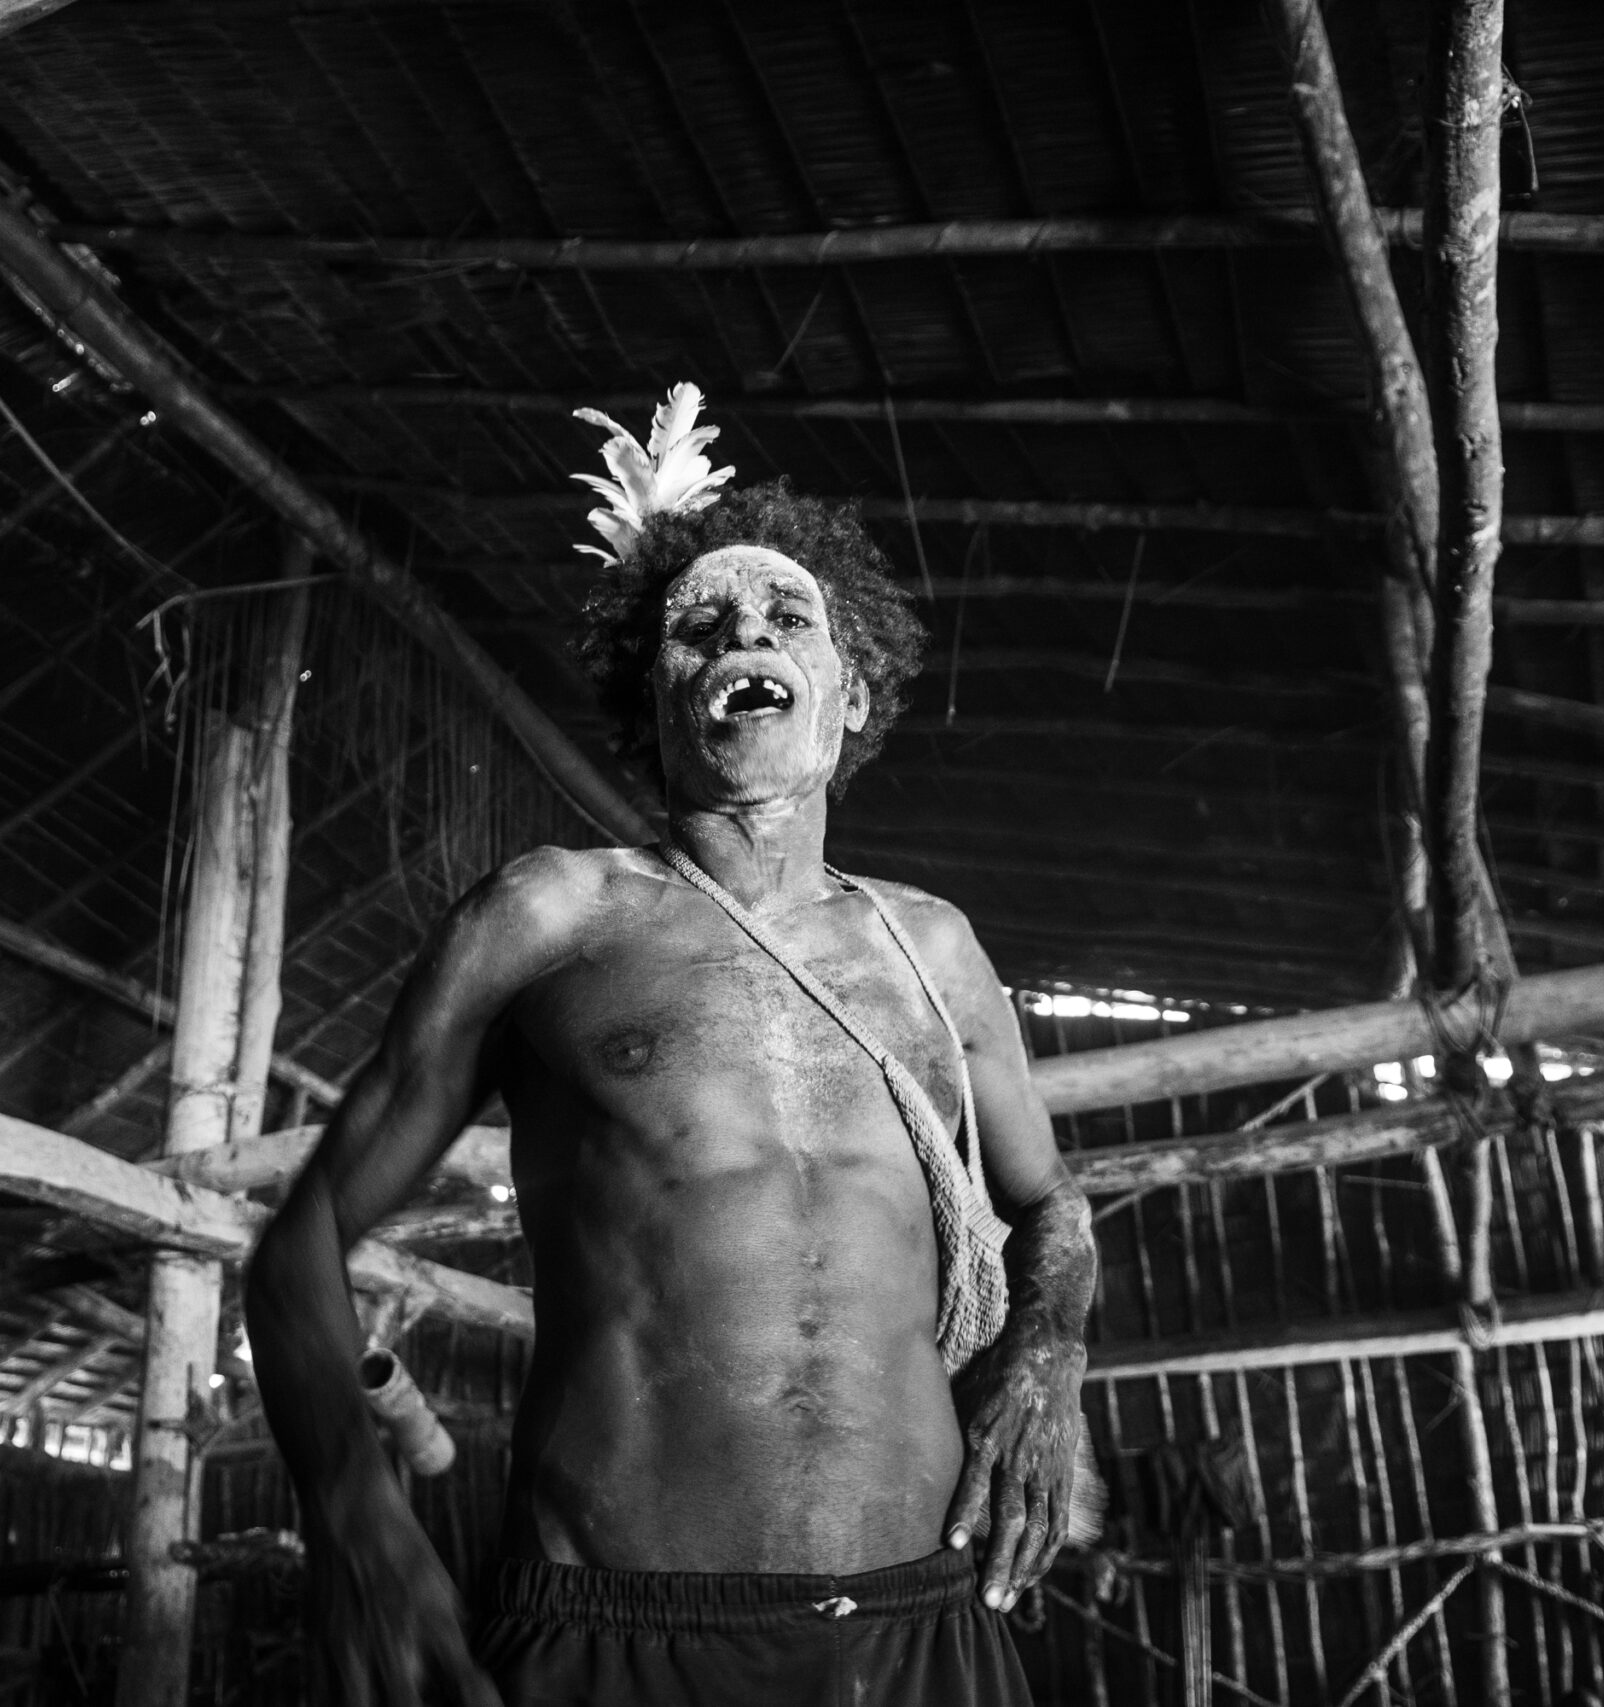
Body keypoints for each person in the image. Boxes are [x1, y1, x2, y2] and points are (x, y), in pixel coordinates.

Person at [245, 388, 1096, 1707]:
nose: (743, 632)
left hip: (923, 1628)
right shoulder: (551, 914)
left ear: (849, 689)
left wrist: (1050, 1361)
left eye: (783, 618)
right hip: (617, 1633)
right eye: (701, 628)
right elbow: (298, 1243)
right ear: (658, 699)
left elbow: (1050, 1206)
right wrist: (355, 1521)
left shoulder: (937, 951)